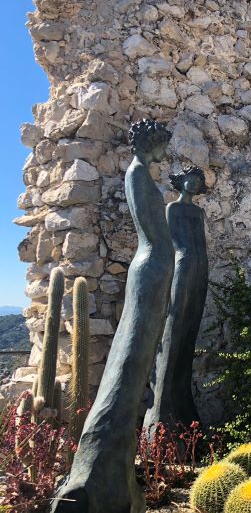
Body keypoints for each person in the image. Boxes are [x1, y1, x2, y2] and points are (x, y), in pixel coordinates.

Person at [53, 119, 174, 512]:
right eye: (162, 146)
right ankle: (99, 475)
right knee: (129, 364)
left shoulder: (139, 174)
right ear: (151, 144)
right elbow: (157, 237)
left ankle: (112, 475)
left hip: (154, 269)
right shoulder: (139, 174)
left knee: (132, 366)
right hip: (152, 269)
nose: (165, 154)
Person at [144, 165, 208, 438]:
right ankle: (161, 407)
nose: (193, 185)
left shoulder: (198, 212)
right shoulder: (172, 209)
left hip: (199, 269)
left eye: (198, 181)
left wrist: (201, 266)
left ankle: (181, 401)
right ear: (181, 182)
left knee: (189, 331)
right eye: (190, 180)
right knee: (173, 328)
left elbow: (200, 245)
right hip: (182, 268)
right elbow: (176, 245)